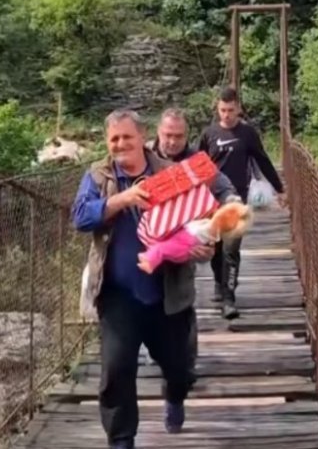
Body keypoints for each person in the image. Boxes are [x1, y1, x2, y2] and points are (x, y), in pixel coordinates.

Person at [72, 109, 210, 449]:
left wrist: (203, 247)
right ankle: (121, 441)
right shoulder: (97, 175)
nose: (121, 144)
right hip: (118, 296)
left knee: (179, 369)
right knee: (117, 372)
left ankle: (175, 396)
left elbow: (200, 223)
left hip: (167, 293)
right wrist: (123, 199)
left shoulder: (172, 174)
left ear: (142, 136)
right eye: (114, 138)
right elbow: (79, 217)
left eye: (127, 137)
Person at [148, 108, 241, 386]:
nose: (173, 141)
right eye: (168, 135)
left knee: (182, 301)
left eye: (178, 136)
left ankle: (185, 364)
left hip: (181, 243)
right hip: (148, 242)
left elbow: (223, 187)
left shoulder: (195, 162)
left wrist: (231, 201)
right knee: (151, 302)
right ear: (158, 132)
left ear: (187, 136)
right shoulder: (144, 159)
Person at [197, 86, 285, 319]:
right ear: (218, 108)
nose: (227, 115)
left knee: (231, 250)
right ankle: (218, 282)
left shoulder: (247, 134)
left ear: (239, 109)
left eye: (231, 110)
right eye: (223, 110)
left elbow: (263, 161)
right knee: (215, 248)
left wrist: (280, 189)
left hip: (237, 202)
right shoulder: (209, 134)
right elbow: (196, 167)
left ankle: (229, 298)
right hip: (211, 202)